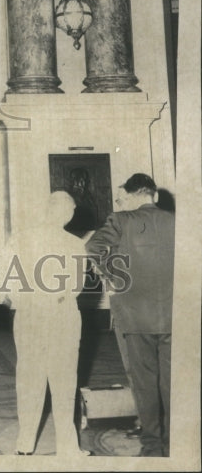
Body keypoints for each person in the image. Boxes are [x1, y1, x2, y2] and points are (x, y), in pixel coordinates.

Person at [86, 173, 174, 457]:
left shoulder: (121, 221)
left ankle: (152, 446)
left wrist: (116, 277)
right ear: (154, 196)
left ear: (133, 195)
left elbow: (93, 247)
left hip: (135, 318)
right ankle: (177, 443)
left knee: (145, 384)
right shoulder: (180, 222)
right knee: (173, 382)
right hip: (176, 316)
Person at [2, 190, 91, 457]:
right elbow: (76, 287)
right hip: (62, 316)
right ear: (68, 213)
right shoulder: (75, 244)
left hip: (28, 316)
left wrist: (22, 301)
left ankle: (25, 444)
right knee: (64, 382)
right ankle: (68, 447)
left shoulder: (20, 238)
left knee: (28, 378)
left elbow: (5, 279)